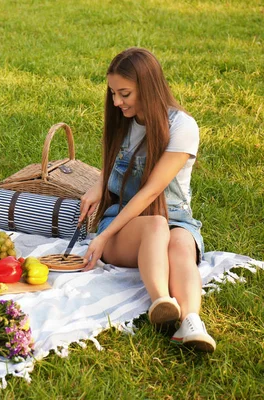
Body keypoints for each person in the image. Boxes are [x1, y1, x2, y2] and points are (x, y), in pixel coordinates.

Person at [79, 47, 216, 352]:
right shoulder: (123, 119)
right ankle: (162, 304)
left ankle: (191, 322)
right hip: (125, 220)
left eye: (124, 93)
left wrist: (103, 239)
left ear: (148, 86)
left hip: (175, 217)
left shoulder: (182, 127)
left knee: (180, 244)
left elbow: (153, 190)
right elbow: (117, 160)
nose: (116, 102)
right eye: (113, 93)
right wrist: (100, 185)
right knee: (155, 225)